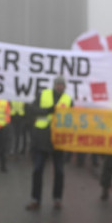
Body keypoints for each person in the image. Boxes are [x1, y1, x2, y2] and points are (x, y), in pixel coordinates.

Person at [25, 76, 72, 211]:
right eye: (57, 84)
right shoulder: (43, 95)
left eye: (62, 84)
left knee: (59, 171)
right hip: (42, 138)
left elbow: (74, 119)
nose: (59, 86)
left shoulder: (68, 99)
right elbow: (31, 110)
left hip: (59, 140)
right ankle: (35, 199)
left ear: (64, 86)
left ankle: (57, 199)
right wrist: (48, 110)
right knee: (37, 169)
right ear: (54, 84)